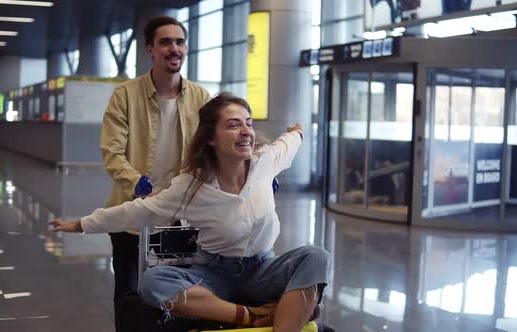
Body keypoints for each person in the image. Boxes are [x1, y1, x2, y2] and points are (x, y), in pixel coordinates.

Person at [51, 93, 332, 332]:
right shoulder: (191, 185)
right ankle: (254, 315)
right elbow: (136, 212)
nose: (246, 131)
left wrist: (298, 131)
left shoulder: (265, 162)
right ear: (211, 138)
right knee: (153, 282)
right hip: (214, 275)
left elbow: (290, 142)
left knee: (316, 256)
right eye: (233, 125)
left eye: (248, 123)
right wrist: (80, 224)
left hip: (262, 271)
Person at [100, 16, 210, 331]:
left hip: (180, 220)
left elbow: (221, 142)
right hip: (132, 218)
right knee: (130, 295)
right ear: (151, 49)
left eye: (179, 42)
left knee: (180, 294)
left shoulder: (201, 98)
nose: (174, 48)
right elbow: (112, 151)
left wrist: (253, 168)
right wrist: (137, 182)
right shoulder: (126, 95)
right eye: (165, 42)